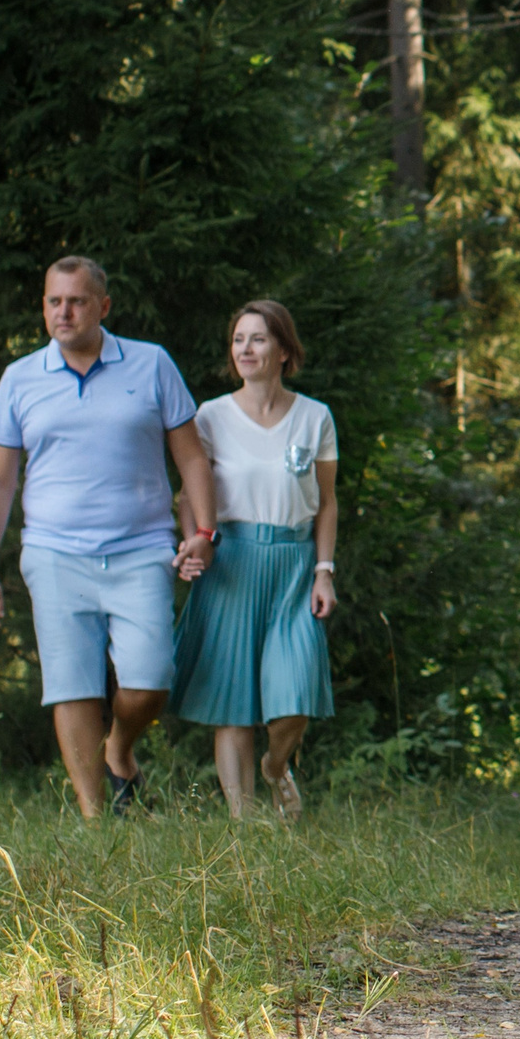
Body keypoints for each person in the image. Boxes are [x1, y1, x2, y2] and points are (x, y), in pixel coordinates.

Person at [0, 255, 215, 818]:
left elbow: (192, 459)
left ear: (102, 307)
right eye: (54, 301)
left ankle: (120, 747)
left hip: (141, 550)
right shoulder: (20, 379)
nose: (65, 312)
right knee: (71, 685)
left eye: (77, 301)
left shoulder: (151, 365)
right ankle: (94, 819)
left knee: (152, 677)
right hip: (55, 554)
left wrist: (203, 531)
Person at [169, 300, 338, 818]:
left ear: (284, 350)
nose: (246, 349)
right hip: (231, 564)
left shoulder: (315, 417)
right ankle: (245, 830)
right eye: (239, 339)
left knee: (297, 689)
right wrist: (192, 543)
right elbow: (187, 497)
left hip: (292, 565)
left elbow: (327, 502)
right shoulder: (211, 417)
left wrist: (323, 572)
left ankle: (274, 765)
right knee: (232, 704)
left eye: (258, 339)